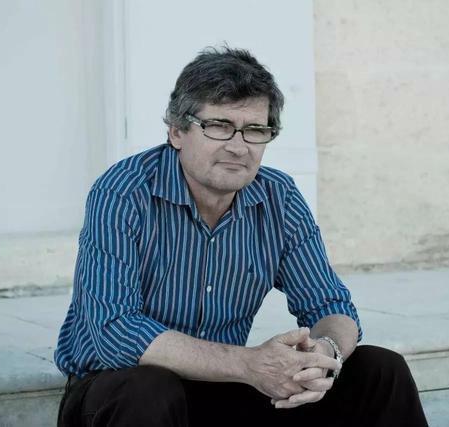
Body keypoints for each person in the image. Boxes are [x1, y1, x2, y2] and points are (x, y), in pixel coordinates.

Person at [55, 46, 428, 427]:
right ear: (177, 131)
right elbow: (115, 331)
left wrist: (323, 353)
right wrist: (249, 363)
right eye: (218, 126)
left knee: (380, 370)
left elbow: (330, 304)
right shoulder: (123, 192)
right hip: (117, 389)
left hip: (223, 386)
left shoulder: (278, 196)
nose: (238, 147)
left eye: (255, 130)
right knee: (149, 389)